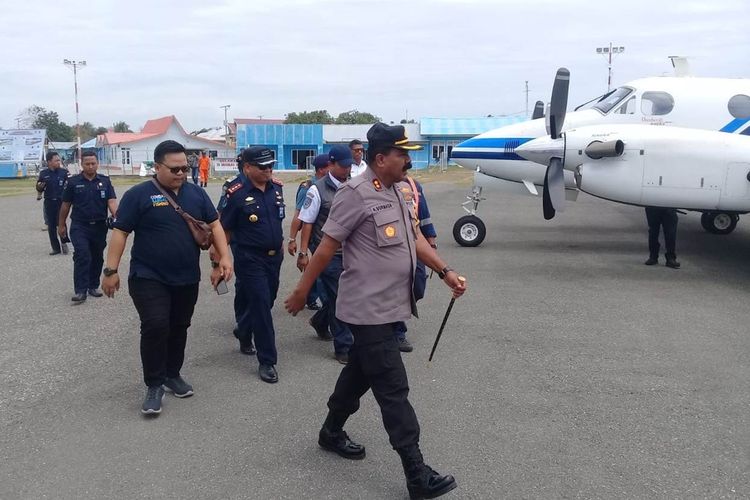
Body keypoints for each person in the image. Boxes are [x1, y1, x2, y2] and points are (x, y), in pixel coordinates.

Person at [285, 123, 467, 499]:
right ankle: (417, 474)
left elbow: (414, 238)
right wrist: (302, 292)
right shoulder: (355, 194)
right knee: (393, 390)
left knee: (359, 373)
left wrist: (445, 271)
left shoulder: (400, 190)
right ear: (381, 158)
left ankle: (331, 431)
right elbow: (326, 246)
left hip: (391, 307)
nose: (409, 160)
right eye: (403, 154)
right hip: (368, 312)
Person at [102, 140, 233, 416]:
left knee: (179, 325)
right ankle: (154, 384)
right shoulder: (138, 195)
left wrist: (225, 257)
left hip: (186, 277)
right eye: (174, 169)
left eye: (185, 168)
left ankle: (172, 374)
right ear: (157, 167)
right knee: (156, 325)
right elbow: (120, 233)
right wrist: (110, 271)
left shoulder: (196, 194)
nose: (181, 173)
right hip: (148, 276)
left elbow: (215, 225)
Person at [220, 146, 285, 384]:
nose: (268, 170)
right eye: (263, 167)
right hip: (249, 258)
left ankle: (244, 329)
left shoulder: (276, 189)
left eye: (271, 166)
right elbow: (223, 230)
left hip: (274, 257)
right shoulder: (235, 193)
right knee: (260, 305)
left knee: (268, 300)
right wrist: (219, 261)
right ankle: (267, 361)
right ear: (247, 168)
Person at [297, 145, 354, 363]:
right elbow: (307, 222)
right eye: (343, 165)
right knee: (340, 298)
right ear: (330, 165)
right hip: (327, 252)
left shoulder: (353, 186)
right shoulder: (316, 189)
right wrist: (303, 252)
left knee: (337, 297)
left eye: (349, 165)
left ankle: (320, 321)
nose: (347, 169)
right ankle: (344, 347)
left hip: (351, 252)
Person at [58, 150, 118, 303]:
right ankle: (80, 290)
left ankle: (93, 286)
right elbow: (65, 205)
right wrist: (61, 224)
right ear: (81, 164)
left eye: (93, 163)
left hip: (99, 226)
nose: (91, 166)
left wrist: (117, 216)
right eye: (87, 164)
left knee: (97, 256)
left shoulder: (105, 181)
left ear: (97, 163)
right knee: (82, 255)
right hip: (80, 226)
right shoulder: (73, 182)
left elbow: (111, 201)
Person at [212, 151, 255, 356]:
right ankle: (242, 322)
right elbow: (221, 214)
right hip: (239, 240)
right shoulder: (232, 186)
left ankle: (244, 325)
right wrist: (218, 248)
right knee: (243, 285)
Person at [393, 173, 437, 352]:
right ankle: (397, 332)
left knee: (418, 286)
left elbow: (423, 216)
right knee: (395, 290)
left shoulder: (414, 185)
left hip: (415, 244)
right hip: (390, 246)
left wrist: (431, 241)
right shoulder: (375, 186)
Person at [288, 153, 330, 312]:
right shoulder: (308, 188)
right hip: (314, 235)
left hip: (324, 234)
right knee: (320, 269)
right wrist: (292, 239)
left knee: (316, 267)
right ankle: (317, 300)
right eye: (329, 166)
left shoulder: (328, 185)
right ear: (321, 169)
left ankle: (310, 297)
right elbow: (299, 215)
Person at [36, 151, 70, 255]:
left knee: (61, 223)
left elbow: (70, 186)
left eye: (59, 160)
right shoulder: (43, 174)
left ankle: (64, 242)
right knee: (51, 226)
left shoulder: (64, 172)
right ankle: (56, 248)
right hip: (49, 202)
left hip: (61, 202)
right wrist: (39, 192)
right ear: (49, 162)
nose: (58, 162)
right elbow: (39, 187)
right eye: (56, 160)